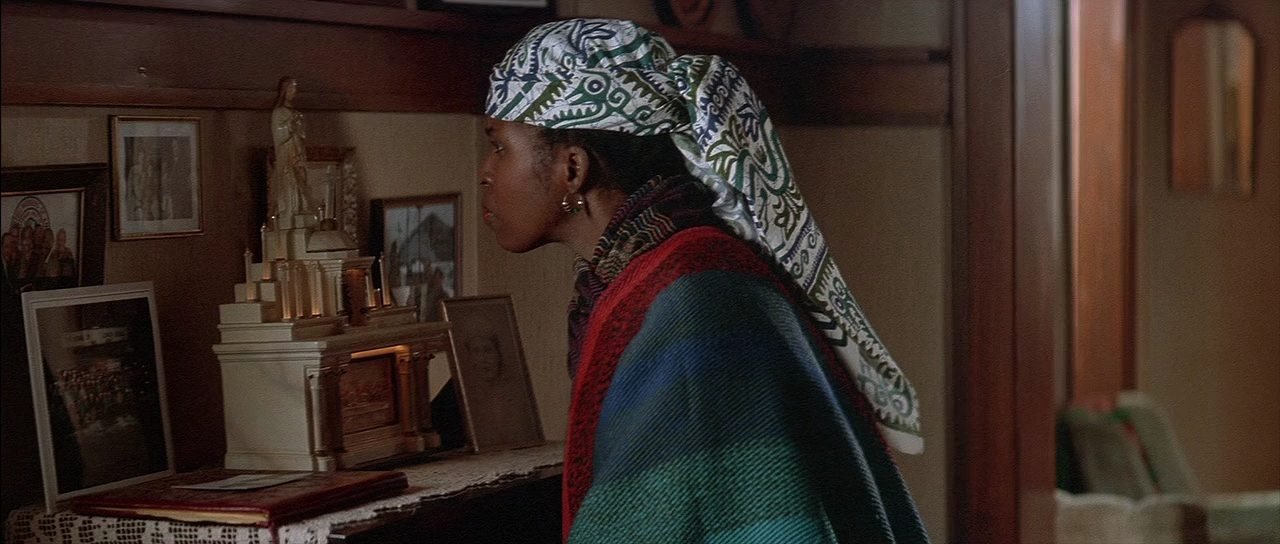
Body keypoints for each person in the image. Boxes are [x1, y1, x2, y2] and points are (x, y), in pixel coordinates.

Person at [479, 18, 929, 543]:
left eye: (500, 146)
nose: (485, 171)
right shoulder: (663, 275)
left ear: (573, 169)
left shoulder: (690, 297)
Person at [270, 76, 311, 220]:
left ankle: (302, 207)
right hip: (287, 151)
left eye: (295, 88)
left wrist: (298, 124)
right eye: (291, 88)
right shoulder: (279, 113)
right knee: (289, 179)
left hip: (297, 149)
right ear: (284, 90)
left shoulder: (296, 113)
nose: (294, 91)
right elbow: (278, 132)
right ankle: (291, 209)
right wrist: (290, 125)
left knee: (301, 176)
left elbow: (302, 134)